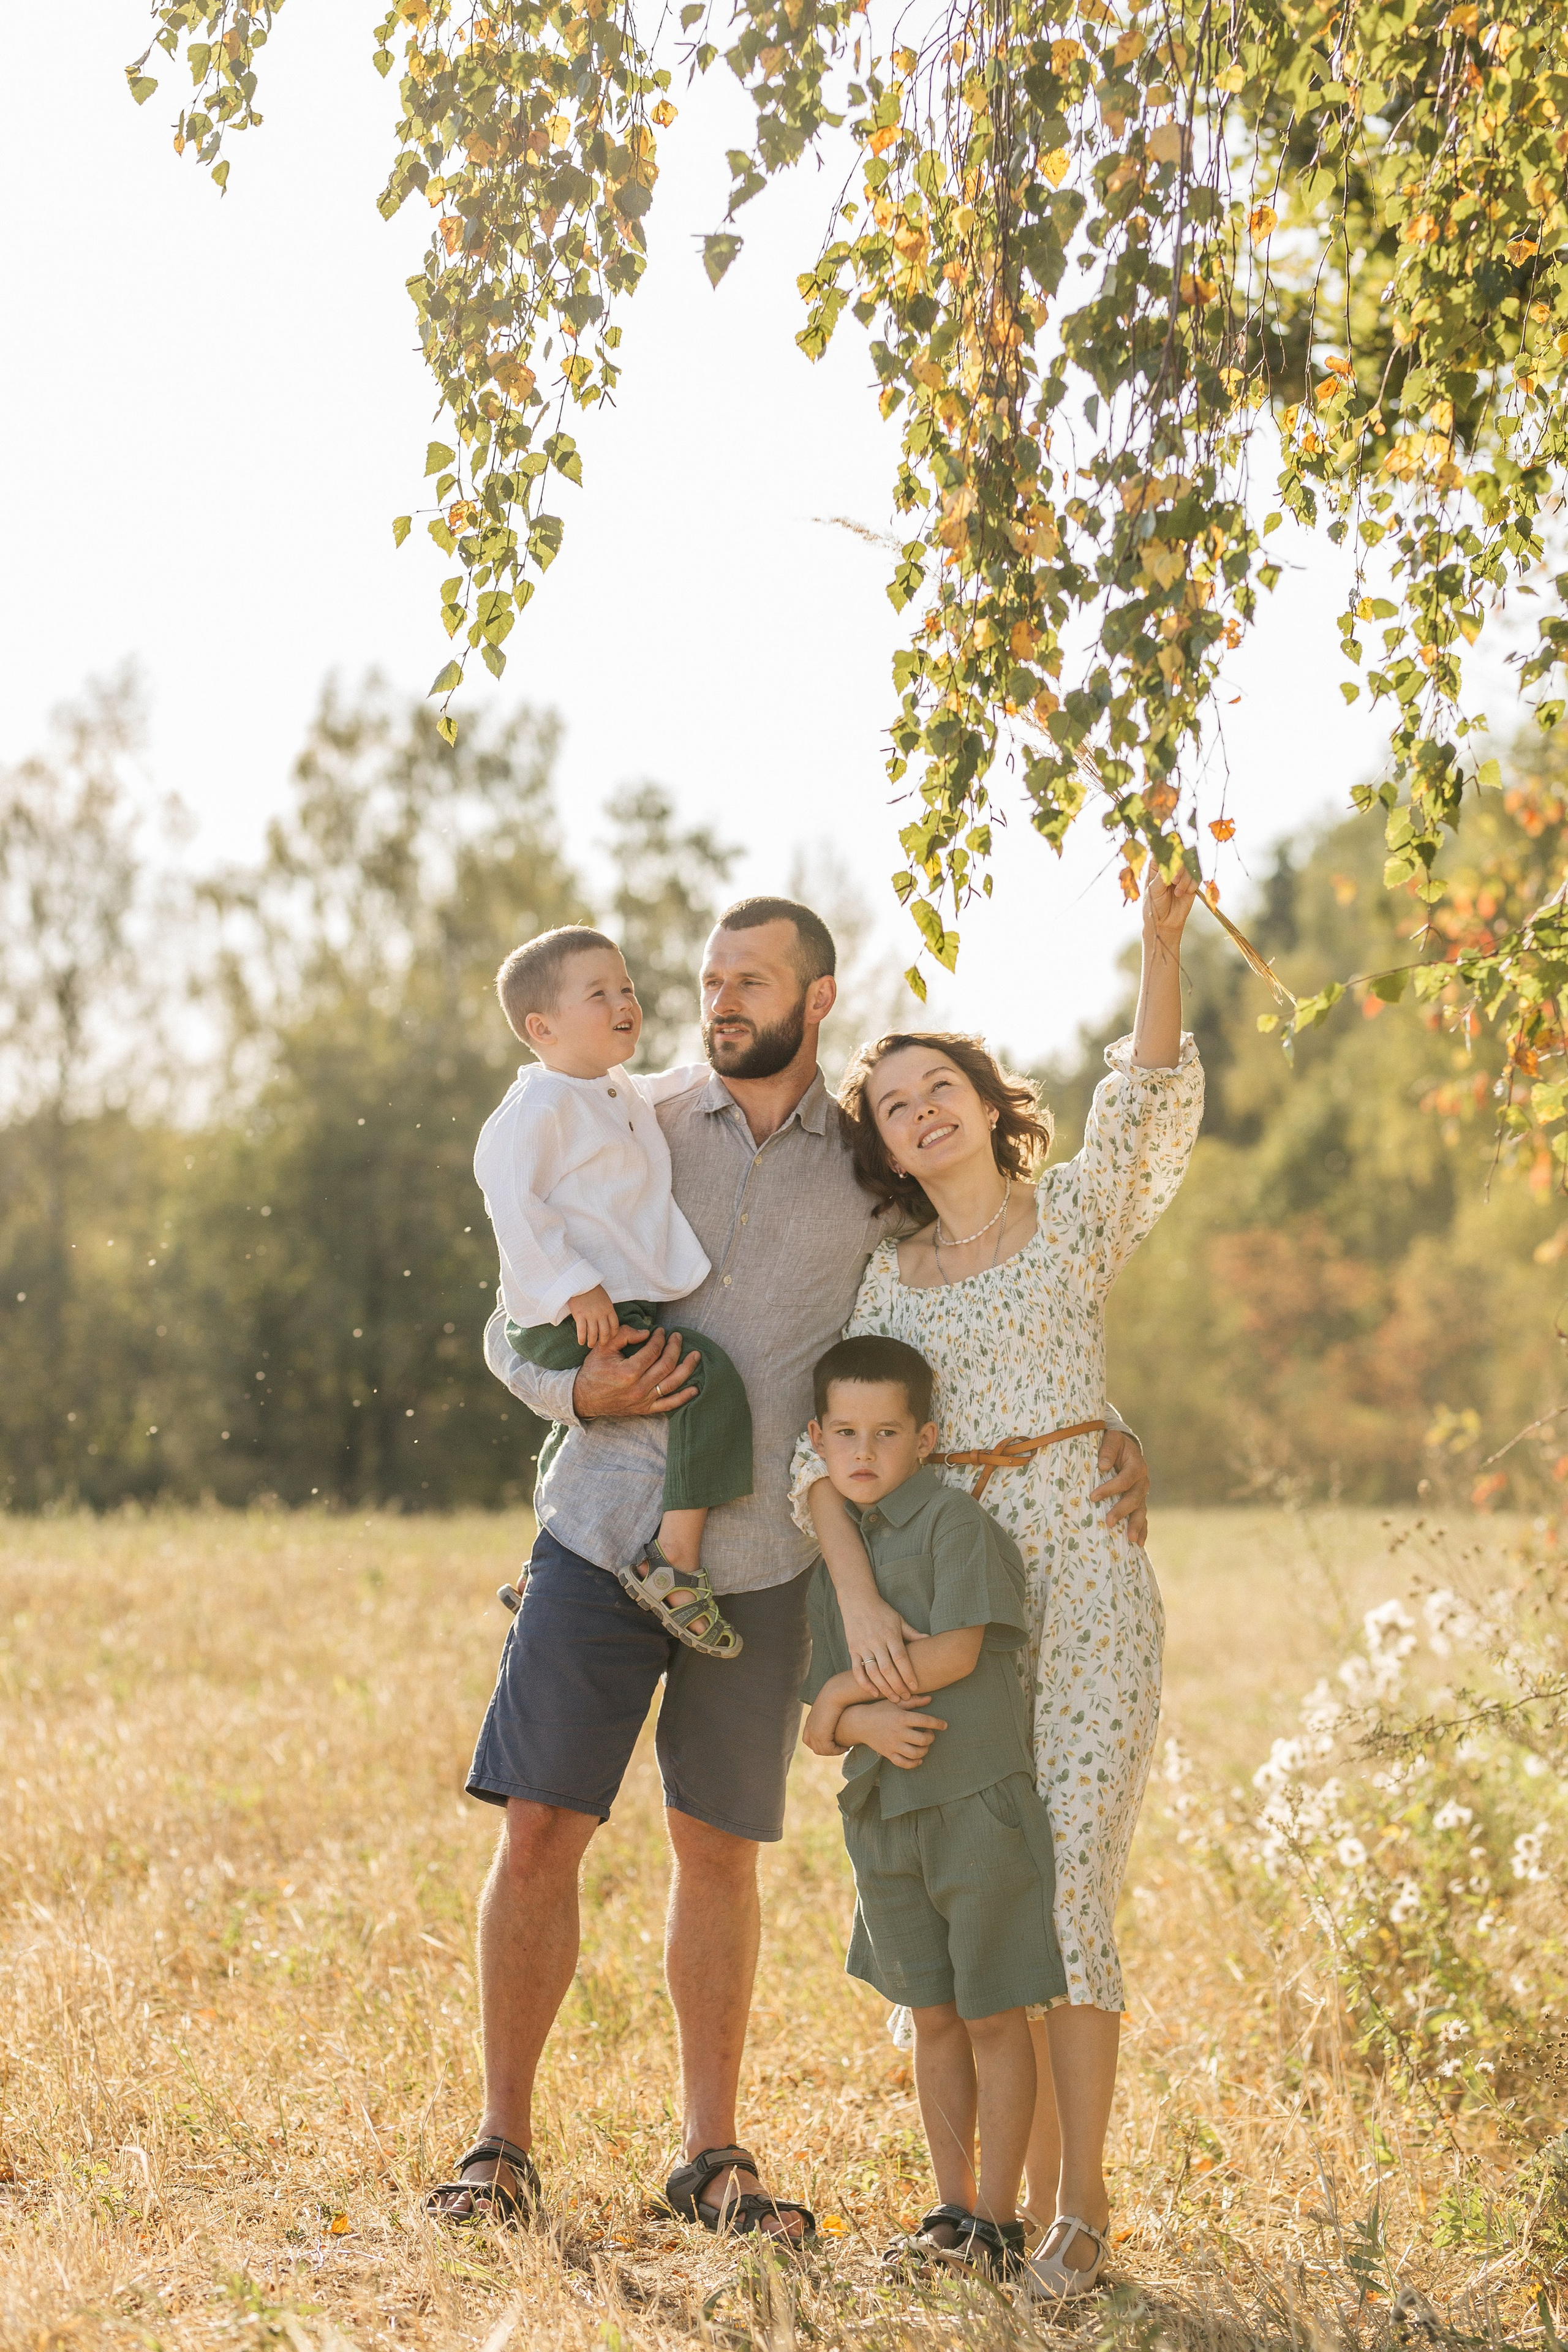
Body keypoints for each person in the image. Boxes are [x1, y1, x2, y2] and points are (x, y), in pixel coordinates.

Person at [423, 895, 1152, 2241]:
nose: (717, 1002)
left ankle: (711, 2158)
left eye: (748, 981)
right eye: (707, 979)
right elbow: (510, 1311)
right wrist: (579, 1392)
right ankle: (499, 2149)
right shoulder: (628, 1113)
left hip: (759, 1567)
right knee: (540, 1832)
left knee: (720, 1853)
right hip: (599, 1532)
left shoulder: (865, 1169)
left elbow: (961, 1324)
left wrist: (1102, 1431)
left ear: (816, 1001)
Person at [793, 867, 1203, 2301]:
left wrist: (1158, 952)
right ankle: (994, 2209)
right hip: (948, 1606)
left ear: (982, 1094)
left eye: (936, 1082)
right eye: (892, 1104)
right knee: (990, 1897)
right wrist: (853, 1600)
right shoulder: (888, 1285)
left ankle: (1079, 2211)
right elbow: (818, 1454)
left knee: (1073, 1879)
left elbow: (1144, 1108)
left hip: (1086, 1571)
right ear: (890, 1148)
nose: (920, 1109)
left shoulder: (1070, 1216)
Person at [799, 1332, 1065, 2287]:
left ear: (926, 1439)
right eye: (845, 1433)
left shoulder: (955, 1524)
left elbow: (955, 1656)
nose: (864, 1451)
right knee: (934, 2017)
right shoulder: (829, 1563)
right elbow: (819, 1730)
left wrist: (844, 1703)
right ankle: (950, 2211)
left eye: (886, 1432)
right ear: (819, 1442)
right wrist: (849, 1718)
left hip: (973, 1804)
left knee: (995, 2015)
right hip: (884, 1818)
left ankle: (1000, 2221)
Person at [475, 924, 750, 1657]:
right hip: (572, 1307)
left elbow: (652, 1095)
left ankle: (545, 1567)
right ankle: (675, 1564)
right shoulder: (537, 1108)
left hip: (599, 1301)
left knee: (581, 1429)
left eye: (624, 986)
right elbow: (512, 1202)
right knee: (702, 1376)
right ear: (542, 1027)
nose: (623, 1000)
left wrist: (712, 1076)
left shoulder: (604, 1088)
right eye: (598, 993)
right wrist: (576, 1289)